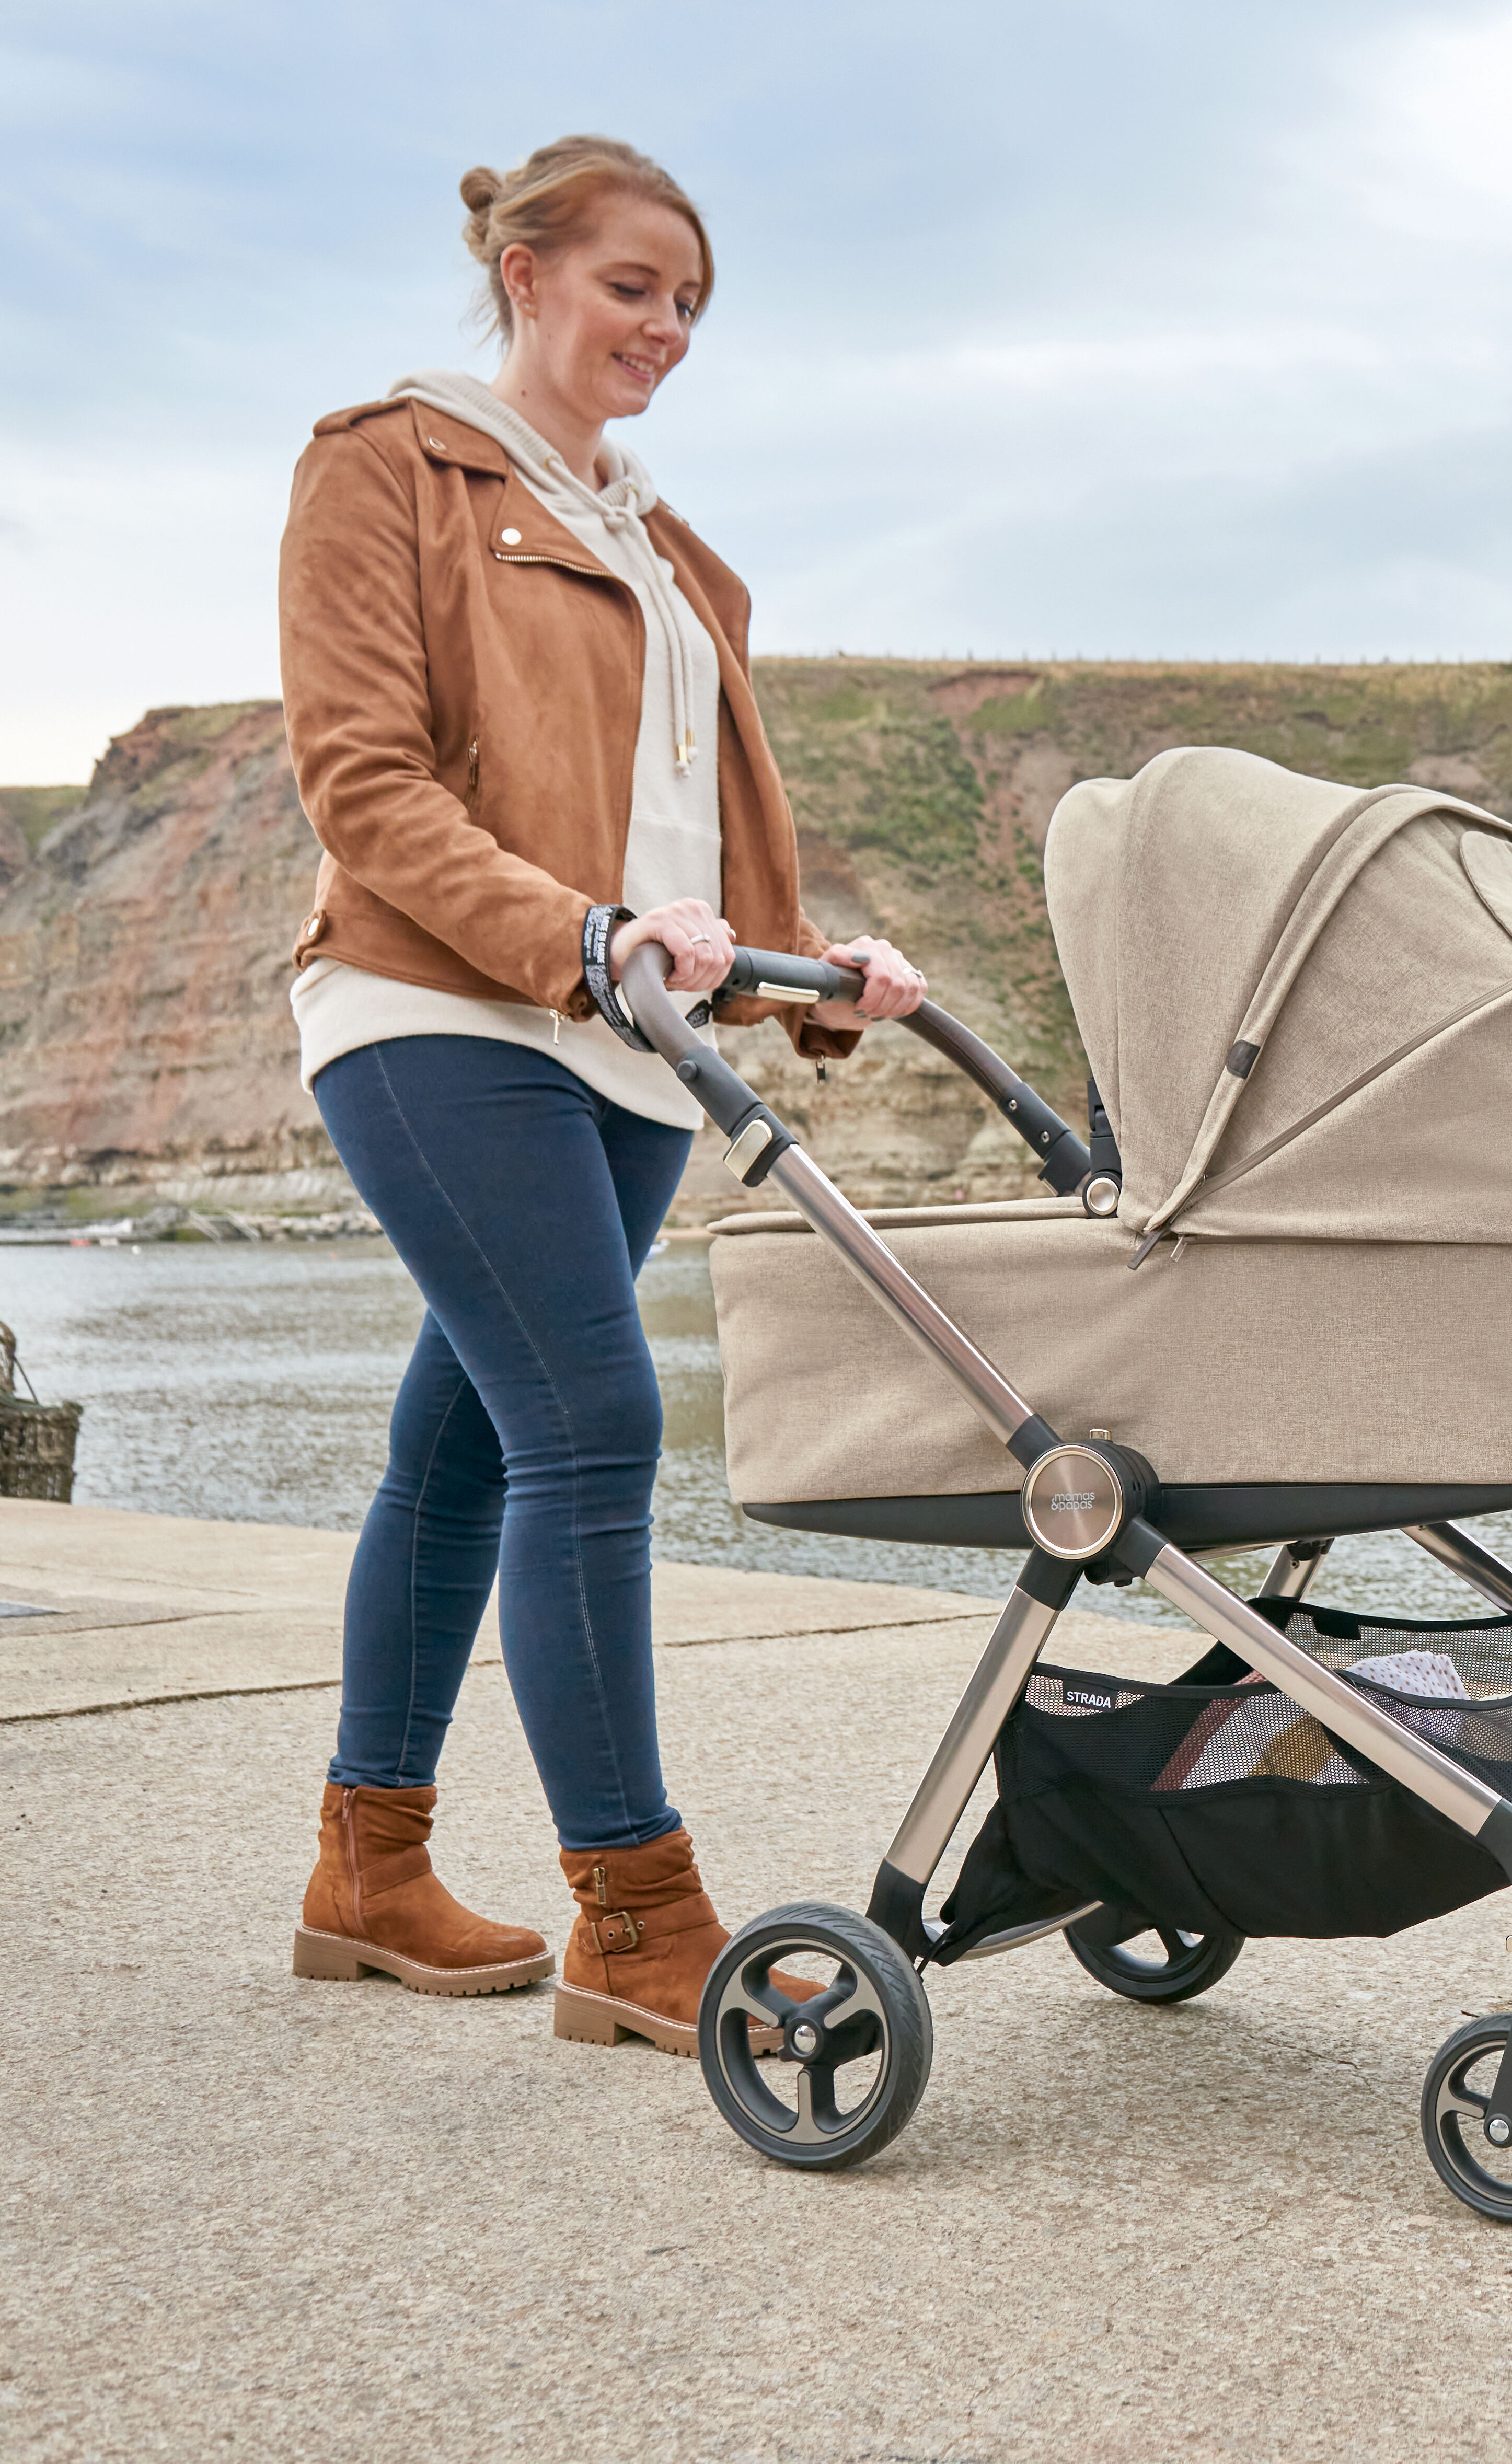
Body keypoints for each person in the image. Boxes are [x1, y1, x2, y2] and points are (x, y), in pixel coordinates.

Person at [276, 135, 927, 2056]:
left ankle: (367, 1872)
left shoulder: (675, 549)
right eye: (634, 287)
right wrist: (569, 932)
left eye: (692, 305)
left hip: (631, 1041)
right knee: (592, 1421)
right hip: (439, 1003)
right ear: (527, 271)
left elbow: (684, 830)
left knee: (466, 1449)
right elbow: (364, 780)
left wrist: (817, 969)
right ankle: (637, 1919)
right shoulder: (389, 465)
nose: (666, 329)